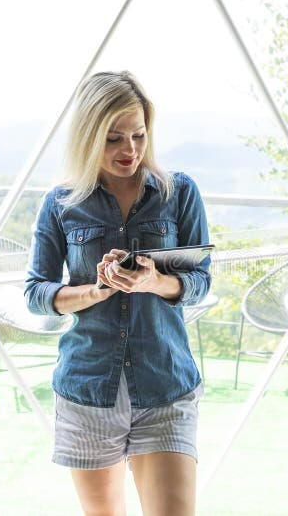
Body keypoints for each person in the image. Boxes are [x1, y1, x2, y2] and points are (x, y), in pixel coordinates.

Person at [25, 70, 211, 516]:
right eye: (113, 138)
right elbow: (36, 292)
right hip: (88, 388)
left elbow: (200, 282)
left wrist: (152, 280)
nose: (129, 150)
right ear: (89, 135)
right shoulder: (61, 203)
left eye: (138, 135)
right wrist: (94, 291)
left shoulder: (178, 192)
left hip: (165, 383)